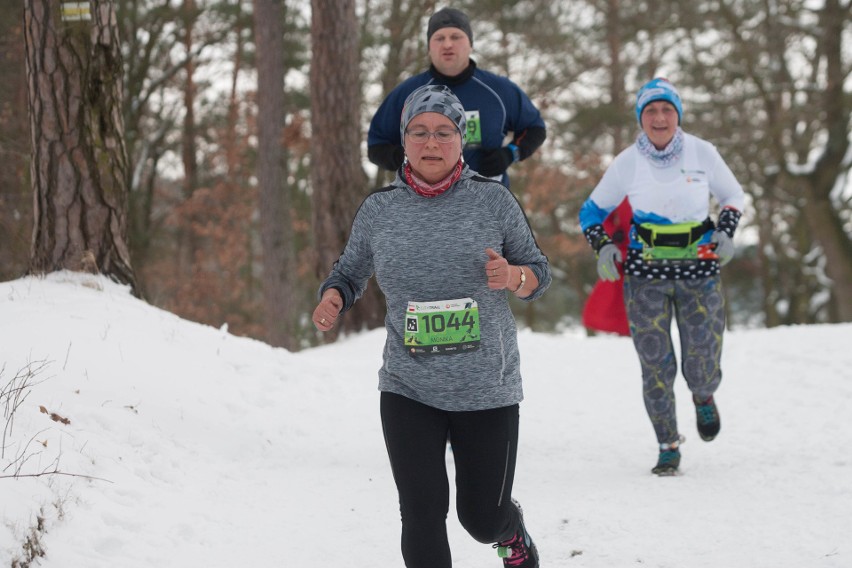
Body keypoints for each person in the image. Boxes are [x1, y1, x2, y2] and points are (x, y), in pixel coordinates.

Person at [313, 84, 550, 568]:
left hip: (486, 386)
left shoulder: (493, 202)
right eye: (419, 132)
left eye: (444, 132)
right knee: (421, 513)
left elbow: (539, 274)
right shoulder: (380, 210)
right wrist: (334, 296)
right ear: (404, 140)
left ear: (461, 140)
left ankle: (513, 534)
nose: (431, 142)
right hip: (408, 385)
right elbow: (349, 271)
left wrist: (512, 276)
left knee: (482, 518)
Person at [578, 78, 745, 476]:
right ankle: (667, 444)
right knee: (655, 362)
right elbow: (590, 212)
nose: (659, 117)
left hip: (699, 269)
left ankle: (703, 394)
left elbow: (733, 195)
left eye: (666, 109)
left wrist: (726, 231)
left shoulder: (702, 152)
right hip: (645, 273)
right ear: (641, 118)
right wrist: (604, 245)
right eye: (650, 110)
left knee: (702, 357)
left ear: (678, 115)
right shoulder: (627, 162)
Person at [367, 7, 546, 188]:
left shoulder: (499, 90)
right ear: (429, 47)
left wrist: (509, 154)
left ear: (470, 44)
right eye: (439, 38)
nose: (447, 45)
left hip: (487, 206)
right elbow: (377, 145)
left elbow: (535, 128)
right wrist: (407, 158)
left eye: (455, 37)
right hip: (424, 208)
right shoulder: (408, 93)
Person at [581, 198, 632, 336]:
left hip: (655, 253)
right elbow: (600, 213)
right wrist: (613, 232)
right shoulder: (620, 187)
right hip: (624, 251)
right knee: (610, 295)